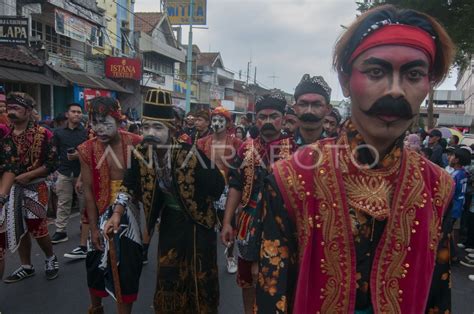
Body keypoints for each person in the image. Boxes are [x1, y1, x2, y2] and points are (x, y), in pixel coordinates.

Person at [256, 5, 456, 313]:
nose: (395, 91)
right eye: (376, 72)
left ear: (428, 84)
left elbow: (438, 297)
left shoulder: (438, 186)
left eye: (414, 75)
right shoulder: (292, 178)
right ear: (346, 80)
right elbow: (272, 295)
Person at [104, 94, 225, 313]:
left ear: (171, 129)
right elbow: (128, 185)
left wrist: (224, 222)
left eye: (158, 128)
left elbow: (217, 188)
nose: (150, 133)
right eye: (146, 127)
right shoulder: (140, 153)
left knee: (200, 277)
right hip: (170, 220)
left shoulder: (190, 154)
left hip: (199, 224)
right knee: (169, 272)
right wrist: (117, 214)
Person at [221, 92, 297, 314]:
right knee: (248, 281)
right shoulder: (246, 148)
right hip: (248, 222)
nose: (267, 122)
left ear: (283, 119)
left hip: (283, 225)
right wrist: (227, 222)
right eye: (262, 117)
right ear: (255, 120)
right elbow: (235, 185)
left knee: (281, 281)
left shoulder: (295, 150)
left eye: (274, 116)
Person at [77, 96, 142, 314]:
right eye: (95, 122)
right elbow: (88, 191)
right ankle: (96, 309)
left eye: (106, 122)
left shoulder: (136, 143)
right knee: (94, 265)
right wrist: (93, 228)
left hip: (129, 216)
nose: (100, 129)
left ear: (118, 119)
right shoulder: (86, 149)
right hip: (100, 211)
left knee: (128, 271)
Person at [1, 92, 59, 283]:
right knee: (18, 227)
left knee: (37, 226)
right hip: (10, 189)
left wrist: (29, 175)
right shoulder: (5, 134)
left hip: (36, 186)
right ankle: (26, 266)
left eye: (16, 108)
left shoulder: (44, 134)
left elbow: (52, 163)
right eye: (9, 108)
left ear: (28, 111)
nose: (11, 112)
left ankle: (51, 258)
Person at [197, 106, 243, 274]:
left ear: (228, 123)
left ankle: (230, 258)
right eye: (214, 120)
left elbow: (240, 169)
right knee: (206, 223)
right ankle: (206, 259)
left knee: (228, 223)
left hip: (227, 188)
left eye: (220, 120)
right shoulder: (202, 143)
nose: (217, 123)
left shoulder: (236, 143)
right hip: (207, 188)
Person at [50, 104, 88, 255]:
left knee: (84, 202)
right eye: (73, 111)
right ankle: (60, 230)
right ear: (67, 114)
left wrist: (79, 155)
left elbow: (90, 152)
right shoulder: (58, 133)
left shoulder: (85, 133)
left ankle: (84, 226)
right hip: (64, 171)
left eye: (79, 112)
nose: (77, 114)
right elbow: (54, 152)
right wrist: (54, 170)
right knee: (63, 202)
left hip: (82, 173)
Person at [292, 74, 332, 146]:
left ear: (328, 109)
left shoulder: (339, 149)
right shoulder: (277, 149)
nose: (309, 111)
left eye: (317, 105)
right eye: (303, 104)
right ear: (295, 108)